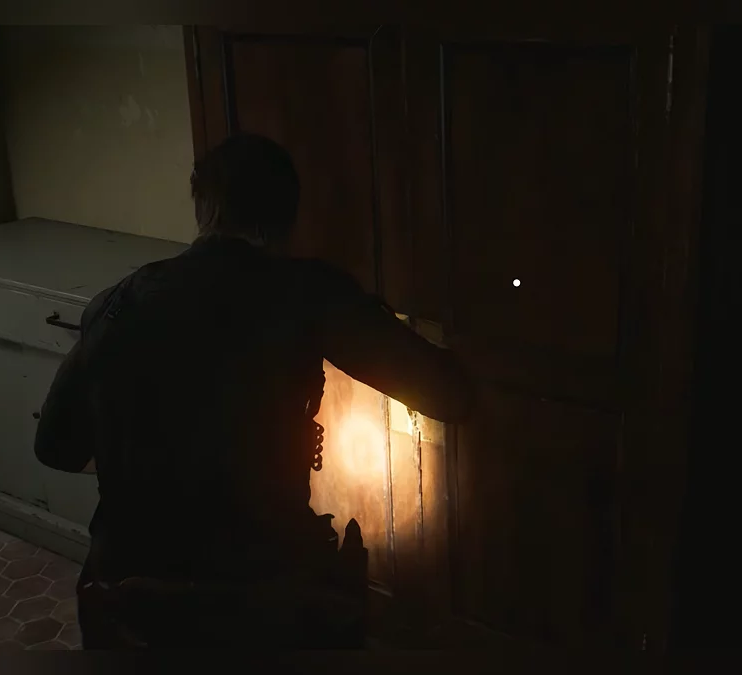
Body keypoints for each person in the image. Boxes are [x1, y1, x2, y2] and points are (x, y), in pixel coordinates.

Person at [33, 133, 474, 649]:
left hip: (128, 598)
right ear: (284, 220)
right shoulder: (306, 293)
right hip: (256, 600)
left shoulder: (113, 304)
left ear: (201, 209)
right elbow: (447, 394)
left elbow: (55, 447)